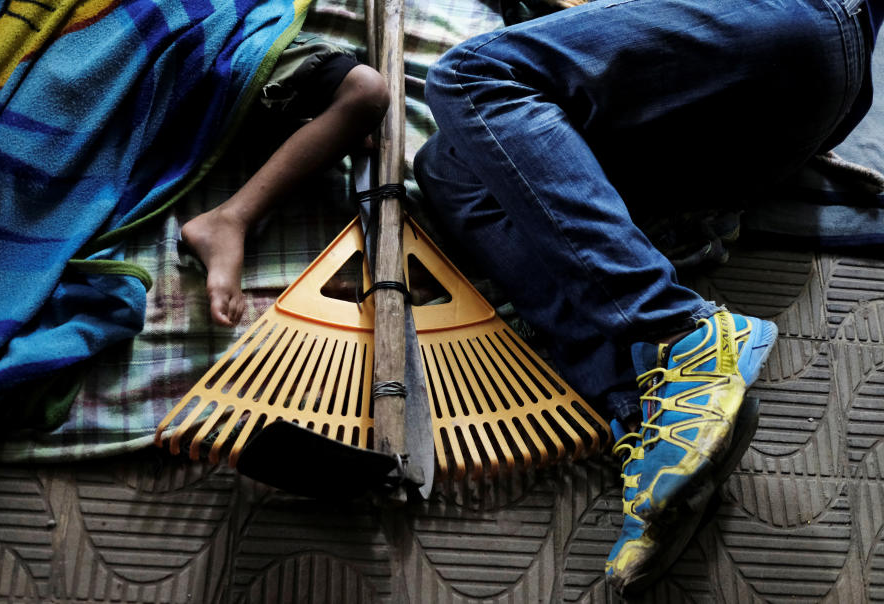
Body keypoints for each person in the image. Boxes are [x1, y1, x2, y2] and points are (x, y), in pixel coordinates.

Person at [414, 0, 880, 594]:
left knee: (472, 74)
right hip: (752, 126)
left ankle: (679, 333)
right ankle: (655, 413)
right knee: (449, 164)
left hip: (797, 28)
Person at [182, 34, 390, 326]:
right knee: (366, 91)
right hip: (188, 43)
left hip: (241, 35)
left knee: (364, 92)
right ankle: (230, 219)